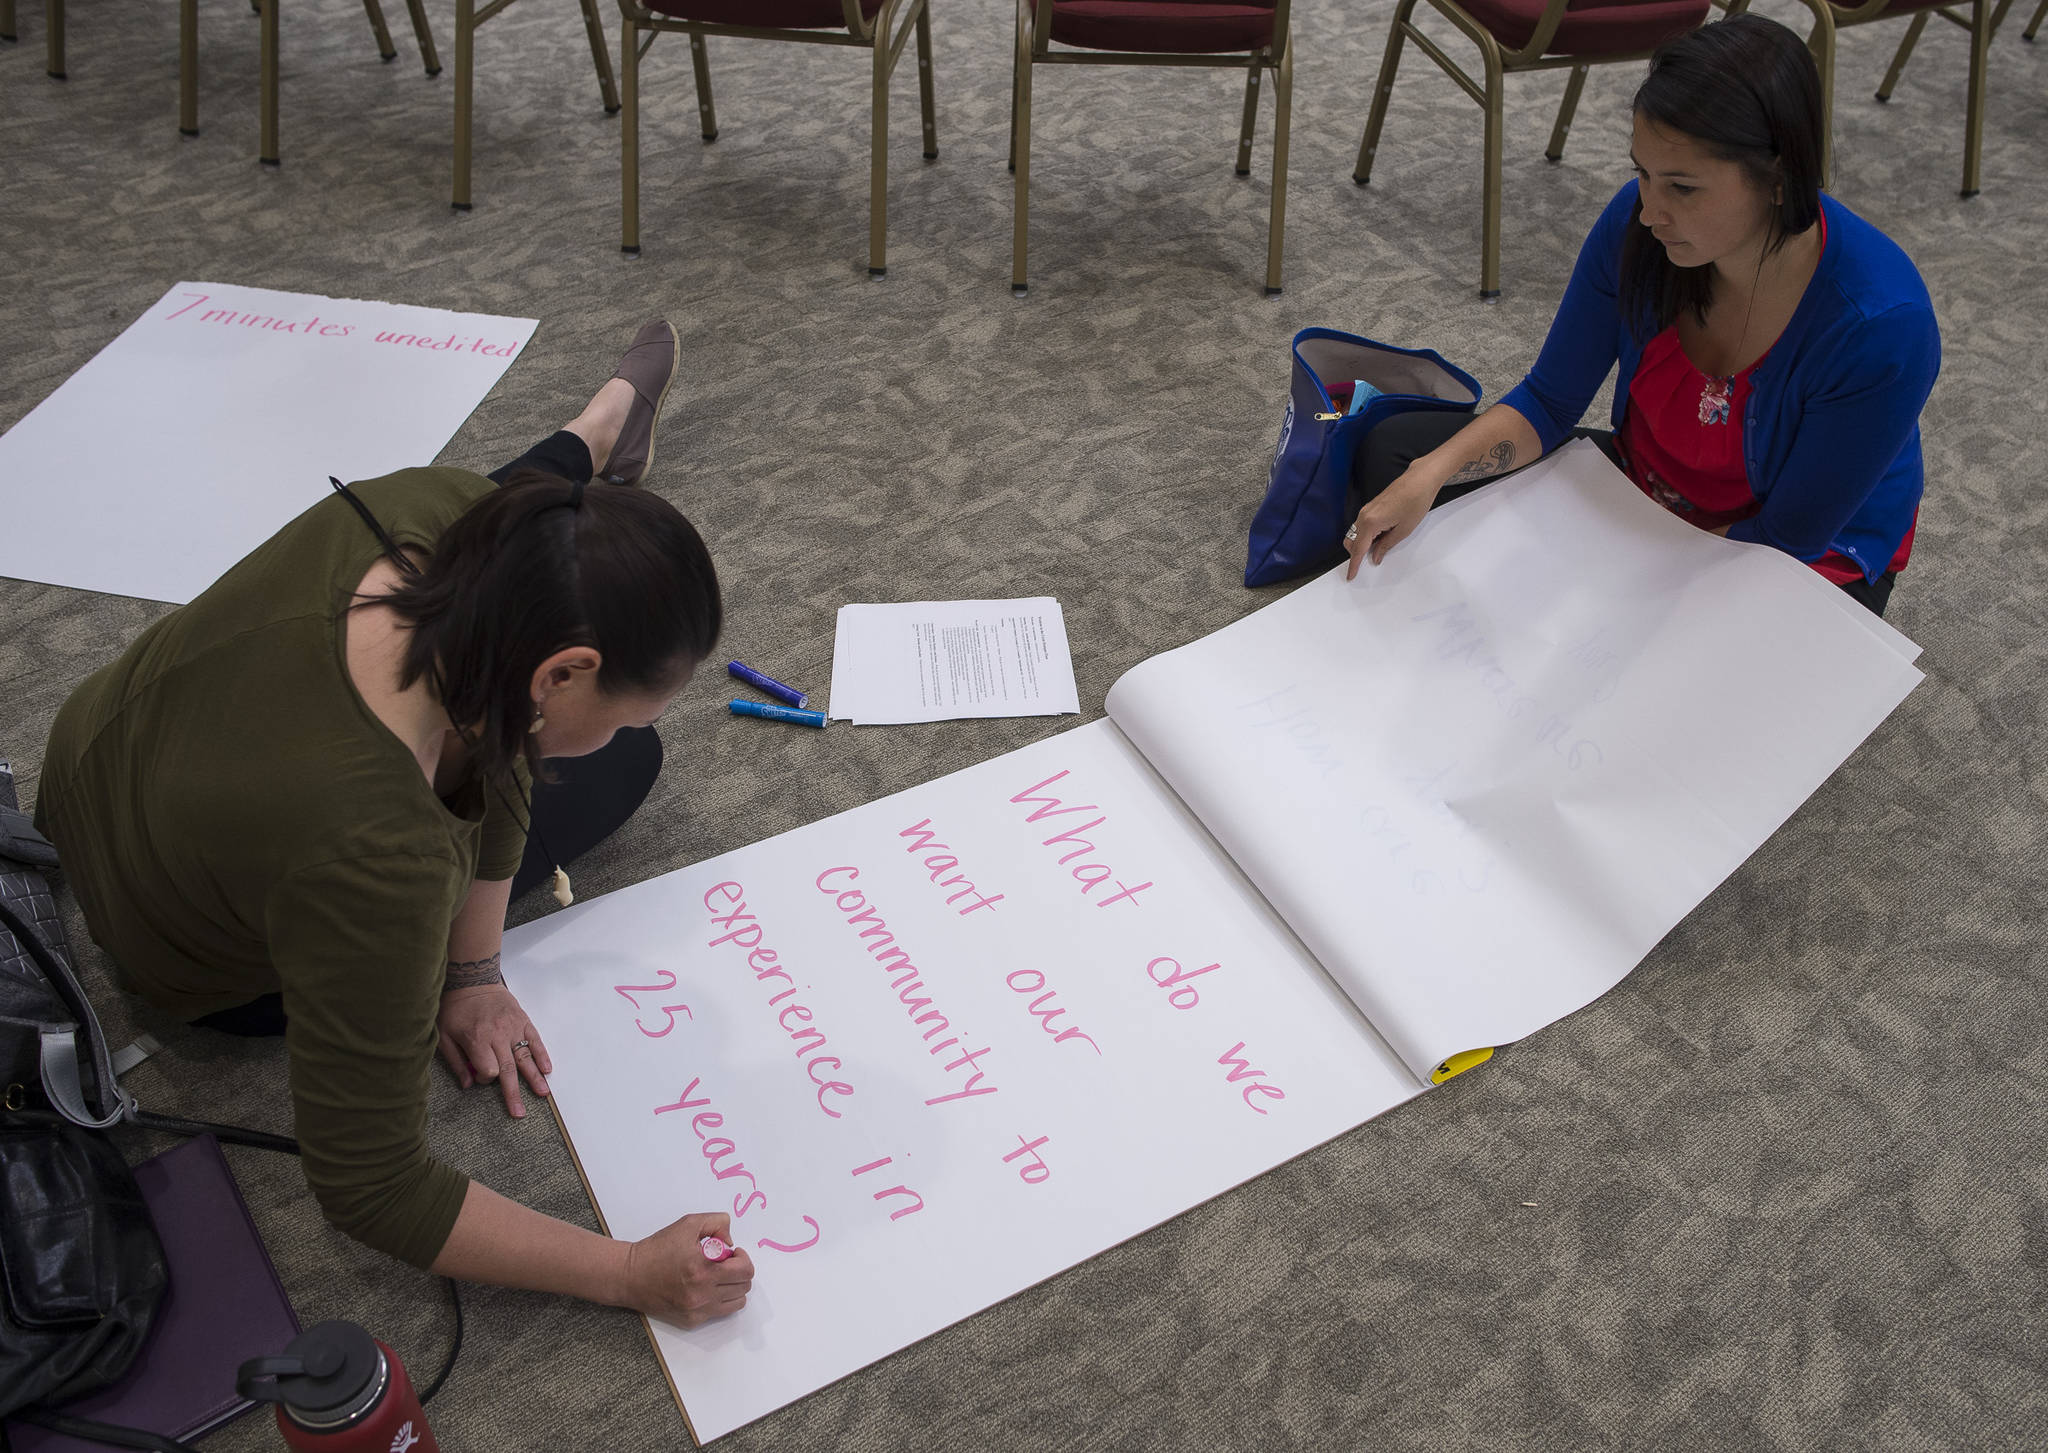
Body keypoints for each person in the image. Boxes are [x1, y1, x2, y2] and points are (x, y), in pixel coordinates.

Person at [34, 322, 756, 1327]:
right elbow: (370, 1184)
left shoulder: (432, 503)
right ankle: (595, 433)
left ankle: (589, 436)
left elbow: (502, 738)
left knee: (522, 581)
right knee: (623, 768)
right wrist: (627, 1271)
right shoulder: (380, 854)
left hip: (94, 754)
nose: (625, 723)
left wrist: (474, 973)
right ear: (565, 673)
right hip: (179, 956)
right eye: (629, 699)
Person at [1344, 13, 1940, 619]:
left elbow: (1784, 541)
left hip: (1791, 553)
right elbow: (1550, 402)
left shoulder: (1881, 327)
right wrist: (1433, 473)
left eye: (1682, 187)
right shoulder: (1640, 227)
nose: (1650, 209)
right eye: (1642, 173)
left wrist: (1611, 591)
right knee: (1395, 454)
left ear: (1780, 180)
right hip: (1646, 490)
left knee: (1719, 688)